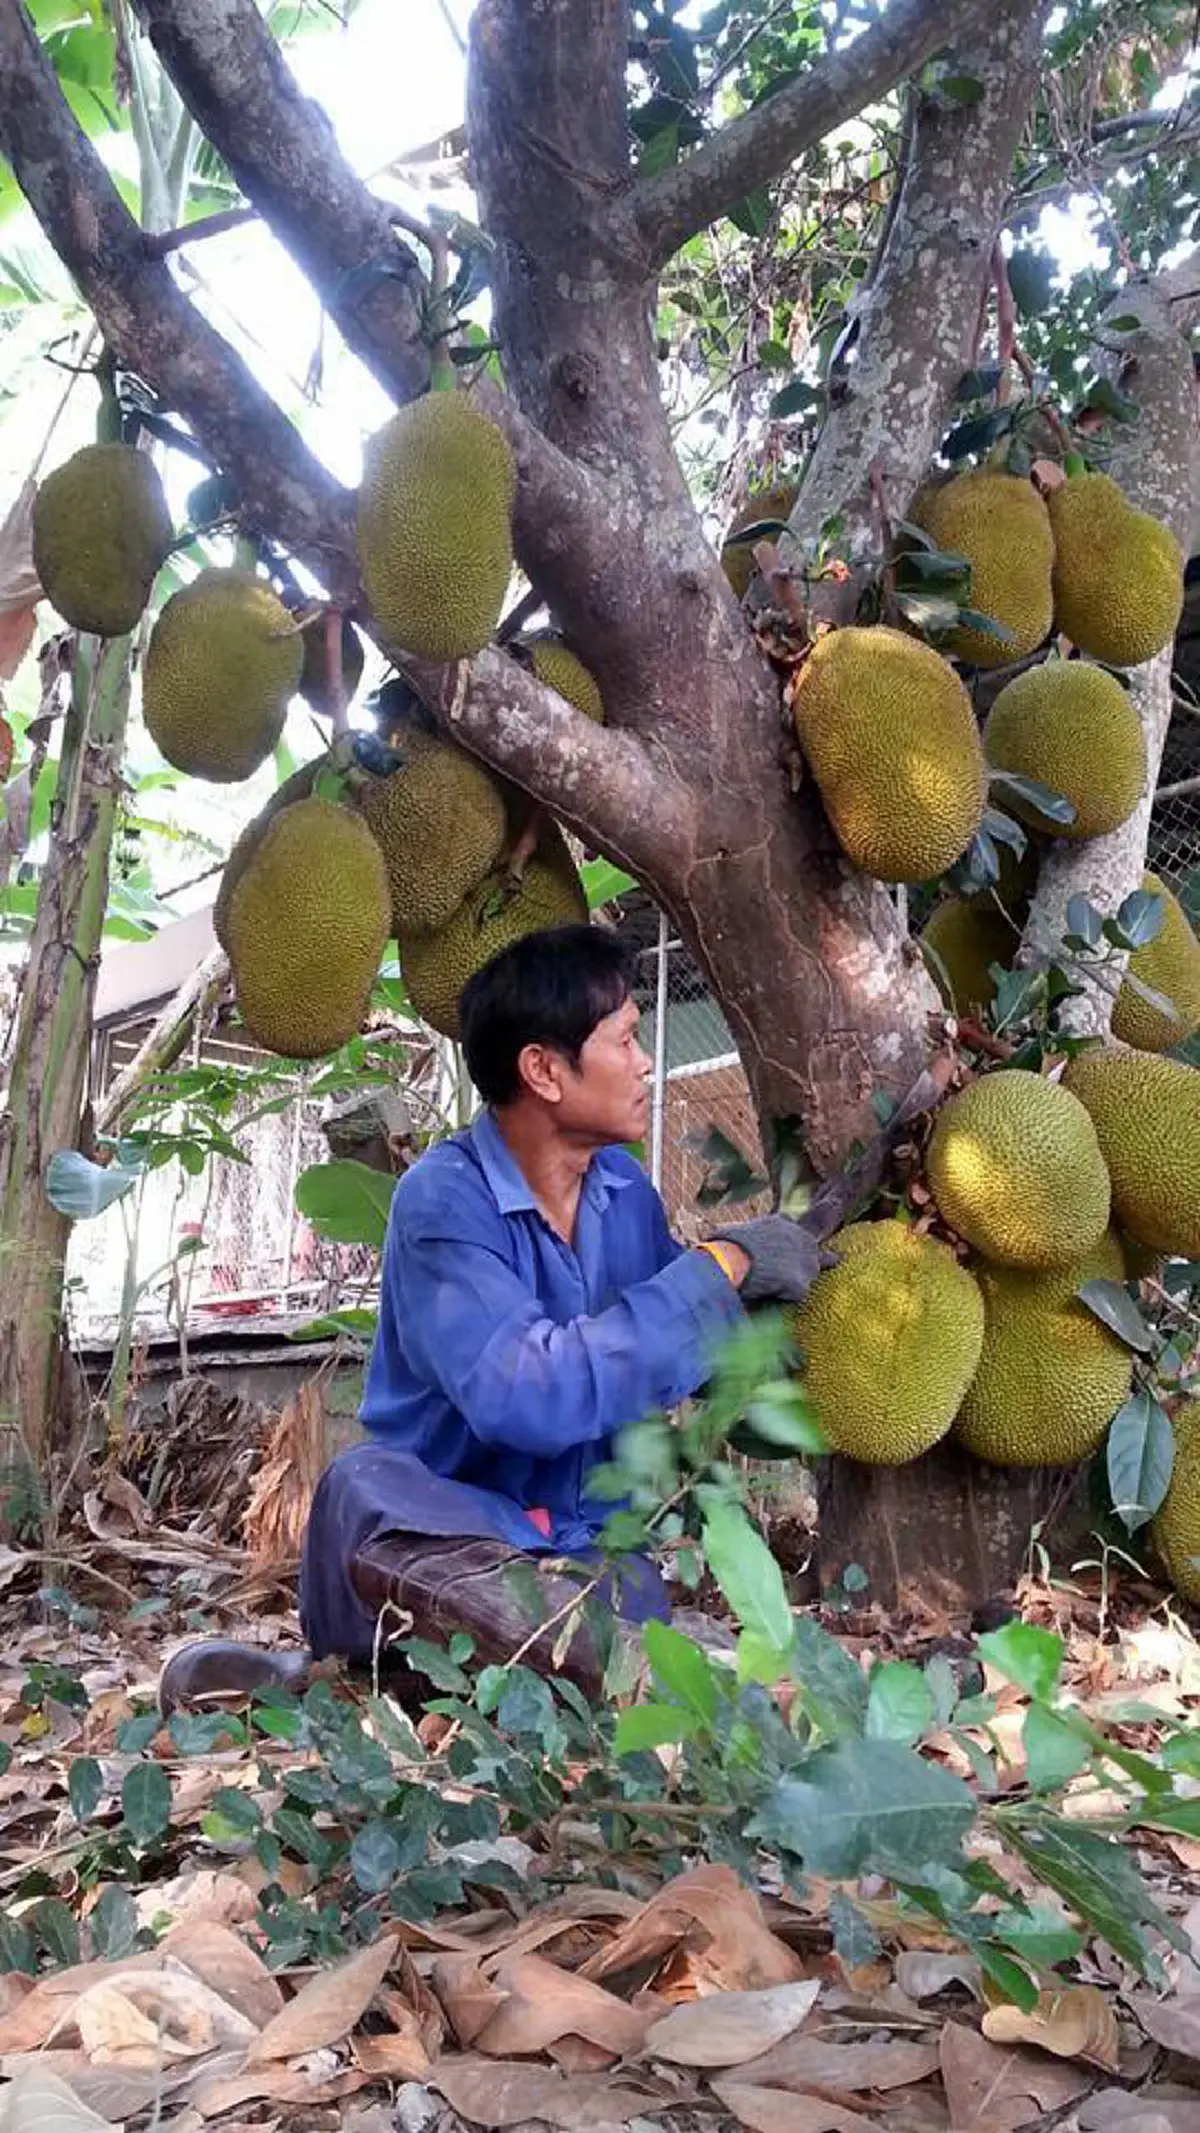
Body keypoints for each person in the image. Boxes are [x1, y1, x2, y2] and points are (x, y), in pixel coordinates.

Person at [158, 923, 827, 1712]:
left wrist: (784, 1310)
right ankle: (452, 1668)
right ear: (544, 1069)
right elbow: (528, 1395)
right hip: (451, 1536)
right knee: (364, 1491)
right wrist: (718, 1270)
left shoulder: (625, 1196)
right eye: (624, 1040)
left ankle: (461, 1676)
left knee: (620, 1581)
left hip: (585, 1559)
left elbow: (681, 1348)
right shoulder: (442, 1201)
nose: (646, 1062)